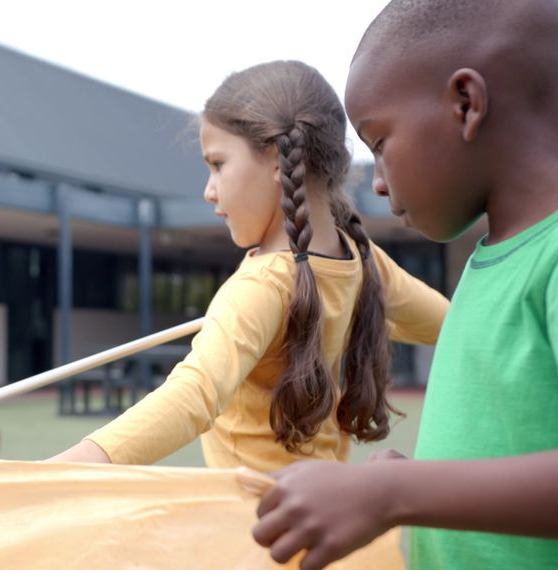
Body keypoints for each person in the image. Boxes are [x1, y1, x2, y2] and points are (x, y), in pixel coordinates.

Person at [251, 1, 558, 569]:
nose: (377, 184)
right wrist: (418, 483)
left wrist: (395, 495)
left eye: (380, 142)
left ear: (465, 103)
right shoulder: (495, 260)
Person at [49, 60, 448, 474]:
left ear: (276, 158)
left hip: (255, 525)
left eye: (217, 164)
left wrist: (56, 471)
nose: (208, 191)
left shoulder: (260, 285)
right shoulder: (363, 258)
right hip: (323, 515)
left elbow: (193, 395)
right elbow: (454, 324)